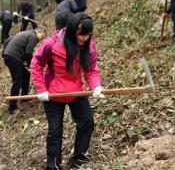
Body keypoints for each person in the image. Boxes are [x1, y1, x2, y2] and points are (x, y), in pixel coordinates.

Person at [30, 13, 105, 170]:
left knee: (87, 122)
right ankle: (53, 164)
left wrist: (96, 86)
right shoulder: (53, 44)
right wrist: (41, 89)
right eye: (80, 34)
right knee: (55, 130)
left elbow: (91, 70)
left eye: (87, 34)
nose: (84, 38)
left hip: (76, 91)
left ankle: (79, 157)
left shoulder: (88, 47)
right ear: (71, 30)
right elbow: (36, 64)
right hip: (53, 93)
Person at [3, 27, 47, 114]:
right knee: (17, 81)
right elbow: (28, 52)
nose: (41, 39)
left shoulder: (25, 33)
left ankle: (24, 97)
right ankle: (12, 107)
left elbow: (8, 41)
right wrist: (32, 65)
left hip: (9, 56)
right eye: (42, 37)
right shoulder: (33, 36)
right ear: (39, 32)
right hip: (13, 58)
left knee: (26, 74)